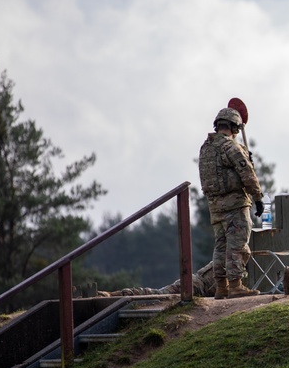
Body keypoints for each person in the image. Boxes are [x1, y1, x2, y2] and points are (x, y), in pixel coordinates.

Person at [198, 106, 264, 299]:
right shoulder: (231, 147)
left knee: (220, 247)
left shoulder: (206, 148)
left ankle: (221, 287)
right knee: (237, 246)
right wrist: (257, 197)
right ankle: (236, 285)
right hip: (235, 205)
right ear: (235, 128)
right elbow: (247, 174)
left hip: (215, 207)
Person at [100, 262, 218, 298]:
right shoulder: (231, 258)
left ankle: (115, 295)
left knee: (158, 294)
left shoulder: (229, 255)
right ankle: (115, 295)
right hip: (196, 286)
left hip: (196, 285)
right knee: (158, 295)